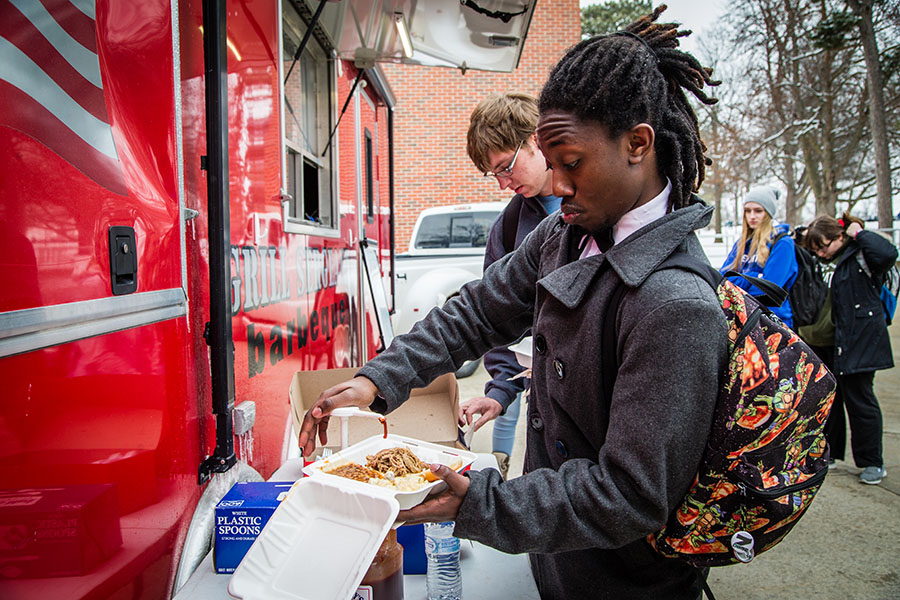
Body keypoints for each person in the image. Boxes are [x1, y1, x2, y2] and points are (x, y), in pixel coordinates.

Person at [300, 8, 727, 599]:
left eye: (571, 164)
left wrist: (482, 502)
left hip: (623, 584)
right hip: (553, 560)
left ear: (639, 144)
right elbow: (477, 311)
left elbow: (629, 492)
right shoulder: (566, 236)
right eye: (549, 165)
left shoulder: (675, 306)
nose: (554, 185)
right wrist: (377, 379)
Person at [460, 92, 561, 479]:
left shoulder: (597, 204)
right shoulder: (508, 225)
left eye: (506, 167)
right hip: (542, 398)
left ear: (535, 139)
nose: (503, 184)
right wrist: (501, 390)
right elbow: (495, 314)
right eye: (494, 175)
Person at [799, 212, 897, 485]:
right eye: (816, 247)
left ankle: (872, 462)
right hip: (836, 341)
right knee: (832, 398)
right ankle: (829, 452)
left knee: (861, 401)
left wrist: (859, 233)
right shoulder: (831, 261)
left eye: (824, 245)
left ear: (841, 237)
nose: (820, 251)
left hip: (861, 341)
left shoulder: (861, 254)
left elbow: (888, 253)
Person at [720, 187, 798, 328]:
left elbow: (767, 290)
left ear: (768, 213)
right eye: (748, 211)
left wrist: (738, 279)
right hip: (742, 319)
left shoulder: (783, 243)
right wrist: (753, 276)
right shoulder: (742, 243)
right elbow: (721, 280)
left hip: (773, 322)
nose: (752, 216)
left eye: (758, 211)